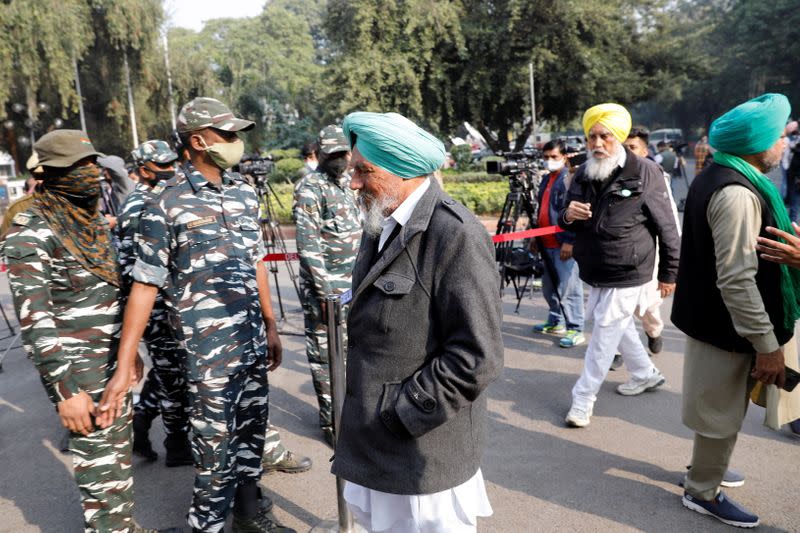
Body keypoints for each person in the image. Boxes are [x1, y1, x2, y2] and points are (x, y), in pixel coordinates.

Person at [96, 97, 296, 533]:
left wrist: (270, 323)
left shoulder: (243, 193)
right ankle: (206, 527)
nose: (236, 142)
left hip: (251, 341)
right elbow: (145, 285)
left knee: (251, 434)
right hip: (206, 355)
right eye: (227, 135)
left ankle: (248, 516)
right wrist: (128, 358)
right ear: (199, 140)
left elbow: (256, 260)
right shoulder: (164, 203)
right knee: (213, 448)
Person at [331, 111, 504, 533]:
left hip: (420, 450)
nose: (352, 182)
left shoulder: (454, 235)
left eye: (363, 170)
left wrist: (402, 414)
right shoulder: (383, 220)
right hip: (376, 444)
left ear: (402, 171)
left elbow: (477, 356)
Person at [2, 130, 163, 532]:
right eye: (80, 165)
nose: (92, 172)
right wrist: (65, 392)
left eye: (93, 162)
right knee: (101, 473)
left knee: (116, 463)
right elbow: (35, 322)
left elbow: (112, 293)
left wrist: (131, 357)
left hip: (112, 363)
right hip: (77, 373)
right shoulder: (31, 229)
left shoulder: (86, 220)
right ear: (53, 173)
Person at [672, 93, 800, 528]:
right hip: (729, 327)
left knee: (718, 406)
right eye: (780, 137)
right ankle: (702, 491)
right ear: (757, 144)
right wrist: (767, 345)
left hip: (717, 321)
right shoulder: (736, 193)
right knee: (721, 413)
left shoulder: (722, 174)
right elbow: (736, 279)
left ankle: (706, 468)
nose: (784, 145)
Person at [559, 103, 680, 428]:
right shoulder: (584, 171)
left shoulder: (645, 171)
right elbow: (564, 215)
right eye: (592, 137)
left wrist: (670, 272)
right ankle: (645, 373)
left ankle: (582, 399)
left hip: (630, 270)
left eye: (605, 137)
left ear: (620, 138)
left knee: (603, 335)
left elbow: (667, 226)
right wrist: (570, 215)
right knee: (617, 323)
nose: (598, 144)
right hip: (595, 270)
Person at [118, 140, 192, 467]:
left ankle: (141, 423)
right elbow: (128, 272)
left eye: (171, 163)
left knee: (167, 373)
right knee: (173, 379)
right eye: (161, 166)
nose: (168, 170)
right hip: (156, 309)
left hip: (177, 304)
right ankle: (176, 443)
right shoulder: (138, 206)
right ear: (143, 170)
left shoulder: (163, 197)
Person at [292, 125, 361, 444]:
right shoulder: (310, 188)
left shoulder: (348, 183)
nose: (339, 160)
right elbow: (308, 246)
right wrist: (323, 292)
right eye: (331, 154)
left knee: (353, 352)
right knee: (326, 356)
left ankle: (354, 414)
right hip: (327, 293)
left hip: (354, 286)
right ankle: (333, 423)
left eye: (342, 153)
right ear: (319, 154)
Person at [623, 127, 681, 354]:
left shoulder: (655, 176)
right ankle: (618, 351)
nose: (627, 153)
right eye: (623, 148)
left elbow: (670, 225)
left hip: (648, 253)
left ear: (645, 151)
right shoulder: (607, 175)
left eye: (632, 148)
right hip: (618, 257)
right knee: (615, 310)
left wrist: (670, 272)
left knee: (648, 304)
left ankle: (653, 331)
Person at [531, 139, 585, 348]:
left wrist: (570, 241)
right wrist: (535, 236)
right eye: (546, 157)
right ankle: (556, 321)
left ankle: (576, 328)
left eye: (554, 157)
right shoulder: (547, 179)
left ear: (564, 157)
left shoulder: (568, 179)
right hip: (546, 243)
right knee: (549, 287)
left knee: (569, 289)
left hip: (563, 244)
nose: (549, 161)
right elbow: (541, 209)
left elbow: (573, 212)